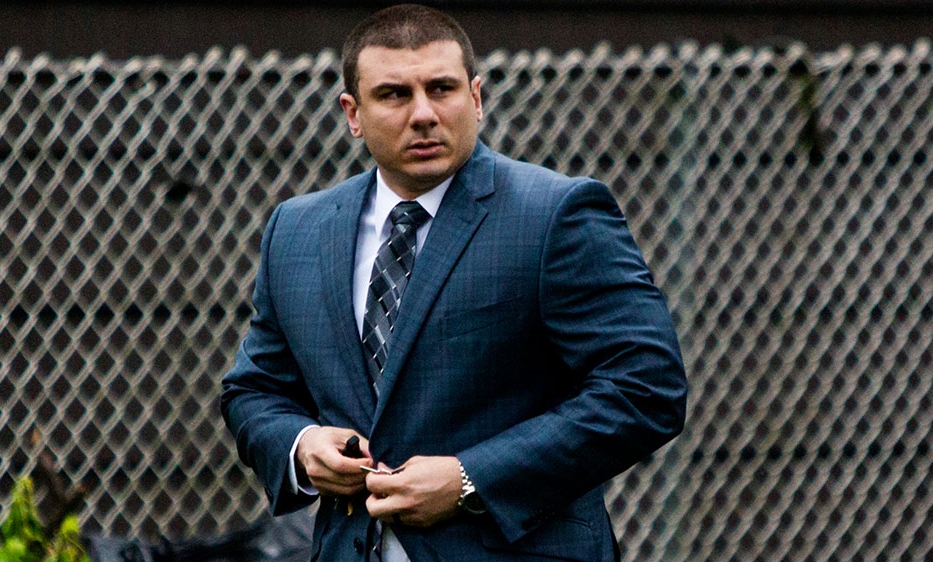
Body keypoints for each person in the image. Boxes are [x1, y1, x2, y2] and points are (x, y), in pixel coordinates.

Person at [220, 4, 687, 561]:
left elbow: (646, 385)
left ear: (477, 98)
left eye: (441, 88)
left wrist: (471, 480)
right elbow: (254, 391)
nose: (423, 113)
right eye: (394, 94)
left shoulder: (555, 214)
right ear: (352, 112)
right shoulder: (296, 229)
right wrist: (301, 447)